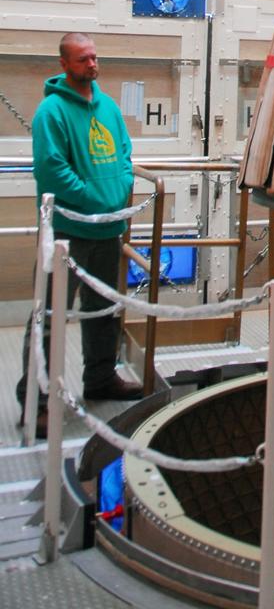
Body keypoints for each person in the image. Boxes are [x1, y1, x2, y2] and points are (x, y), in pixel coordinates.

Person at [17, 33, 143, 435]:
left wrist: (118, 193)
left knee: (104, 308)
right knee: (49, 317)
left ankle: (100, 378)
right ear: (64, 64)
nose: (92, 65)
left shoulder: (107, 108)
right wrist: (95, 200)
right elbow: (53, 171)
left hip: (108, 230)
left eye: (94, 58)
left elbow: (123, 157)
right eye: (82, 59)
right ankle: (35, 400)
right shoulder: (50, 113)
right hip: (66, 235)